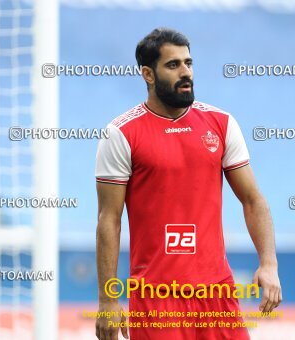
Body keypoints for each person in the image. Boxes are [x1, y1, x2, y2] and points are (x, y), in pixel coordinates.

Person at [94, 27, 281, 340]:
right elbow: (109, 219)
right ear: (148, 75)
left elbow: (253, 200)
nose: (185, 73)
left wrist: (269, 263)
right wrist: (107, 300)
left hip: (216, 294)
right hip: (156, 298)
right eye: (173, 65)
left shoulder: (220, 124)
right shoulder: (120, 134)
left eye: (188, 63)